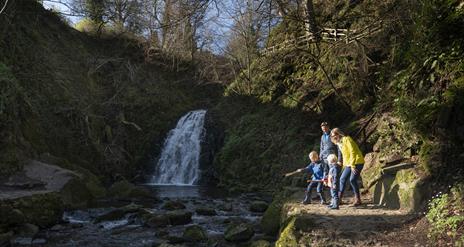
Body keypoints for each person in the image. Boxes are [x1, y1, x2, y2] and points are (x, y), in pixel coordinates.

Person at [330, 128, 365, 206]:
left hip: (357, 162)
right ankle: (339, 199)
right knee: (342, 178)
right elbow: (345, 156)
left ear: (338, 134)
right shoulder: (340, 143)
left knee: (352, 180)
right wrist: (343, 167)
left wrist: (352, 165)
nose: (334, 137)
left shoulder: (347, 139)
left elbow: (353, 152)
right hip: (348, 164)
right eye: (332, 136)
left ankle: (358, 199)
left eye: (334, 135)